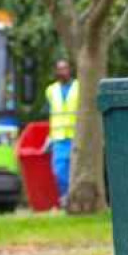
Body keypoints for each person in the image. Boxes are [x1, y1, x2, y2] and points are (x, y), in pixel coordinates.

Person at [44, 59, 79, 208]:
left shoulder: (79, 87)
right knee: (59, 172)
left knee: (75, 171)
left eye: (65, 68)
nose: (62, 71)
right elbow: (50, 115)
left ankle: (74, 199)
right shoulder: (51, 90)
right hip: (58, 139)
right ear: (56, 72)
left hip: (75, 137)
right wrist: (49, 138)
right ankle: (65, 198)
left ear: (70, 70)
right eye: (59, 69)